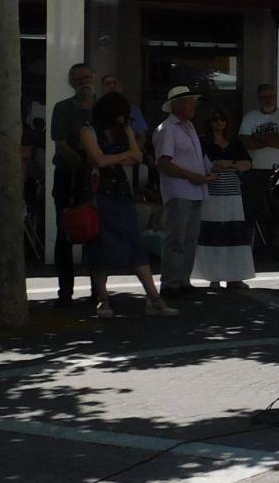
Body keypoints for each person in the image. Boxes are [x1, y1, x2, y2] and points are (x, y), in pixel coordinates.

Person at [79, 92, 176, 317]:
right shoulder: (88, 130)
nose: (123, 120)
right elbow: (98, 159)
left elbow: (138, 157)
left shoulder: (125, 131)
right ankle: (103, 300)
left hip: (122, 194)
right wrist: (123, 156)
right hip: (98, 195)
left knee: (135, 245)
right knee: (100, 246)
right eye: (120, 115)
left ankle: (154, 298)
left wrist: (115, 157)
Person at [49, 63, 97, 306]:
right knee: (65, 233)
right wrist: (84, 163)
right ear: (71, 82)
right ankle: (64, 293)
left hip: (99, 179)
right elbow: (61, 144)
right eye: (78, 79)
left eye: (87, 77)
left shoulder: (103, 108)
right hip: (68, 177)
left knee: (96, 234)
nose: (83, 82)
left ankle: (99, 292)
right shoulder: (62, 108)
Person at [154, 86, 209, 296]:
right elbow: (164, 163)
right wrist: (191, 176)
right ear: (176, 106)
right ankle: (170, 282)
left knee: (190, 238)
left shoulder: (189, 127)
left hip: (195, 189)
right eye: (188, 102)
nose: (193, 106)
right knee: (176, 238)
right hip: (178, 190)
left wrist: (207, 171)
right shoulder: (167, 128)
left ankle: (183, 279)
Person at [198, 110, 256, 289]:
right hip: (212, 192)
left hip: (232, 192)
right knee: (212, 233)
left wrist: (229, 165)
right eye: (215, 119)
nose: (219, 123)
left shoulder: (235, 142)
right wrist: (215, 167)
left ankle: (235, 276)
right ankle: (213, 277)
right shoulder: (203, 143)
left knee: (235, 233)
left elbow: (247, 163)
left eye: (222, 119)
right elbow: (198, 164)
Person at [238, 82, 279, 247]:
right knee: (252, 211)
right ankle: (250, 250)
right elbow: (245, 142)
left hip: (278, 171)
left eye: (270, 96)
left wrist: (257, 136)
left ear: (275, 97)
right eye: (264, 97)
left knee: (278, 212)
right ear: (258, 98)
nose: (267, 100)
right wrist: (271, 138)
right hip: (254, 171)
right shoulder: (250, 117)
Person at [99, 74, 151, 153]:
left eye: (115, 83)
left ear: (120, 87)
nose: (112, 86)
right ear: (102, 88)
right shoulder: (97, 109)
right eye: (108, 84)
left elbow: (142, 137)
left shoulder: (133, 110)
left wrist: (133, 153)